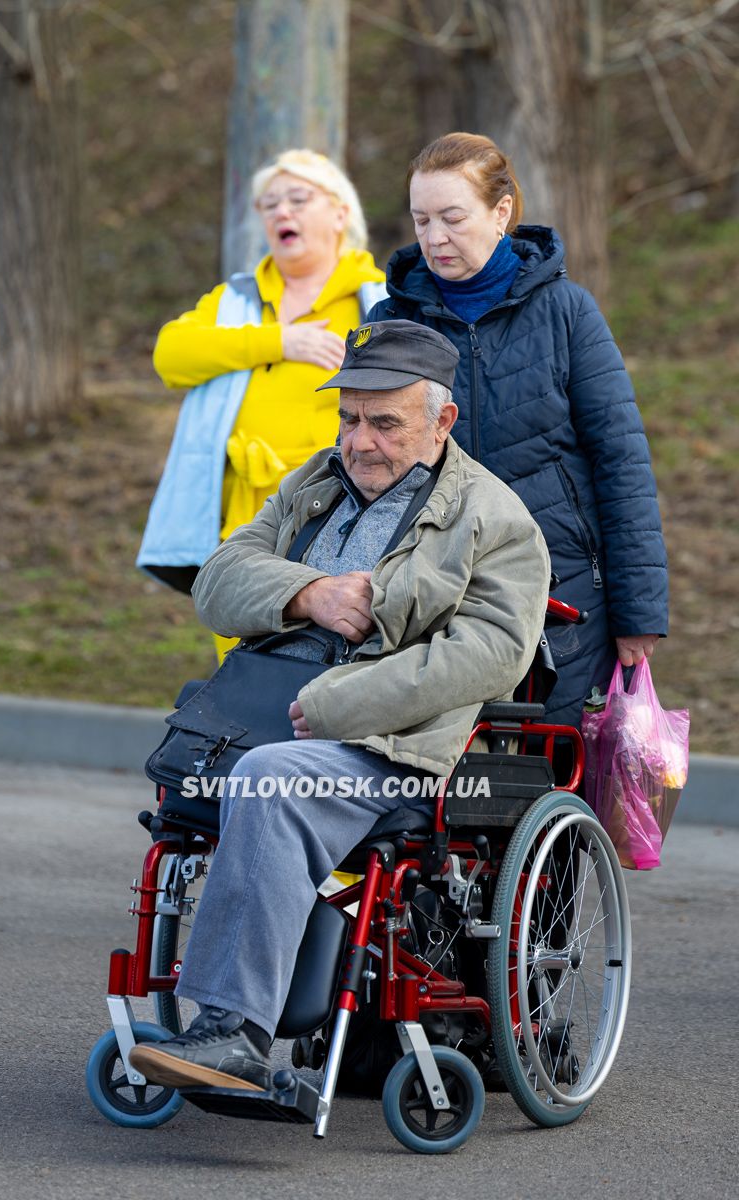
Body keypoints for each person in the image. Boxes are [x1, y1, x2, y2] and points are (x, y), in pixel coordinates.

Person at [129, 319, 551, 1091]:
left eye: (385, 423)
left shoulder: (495, 520)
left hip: (393, 753)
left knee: (271, 782)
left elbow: (492, 653)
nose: (360, 441)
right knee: (240, 776)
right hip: (267, 729)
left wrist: (343, 703)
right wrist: (308, 592)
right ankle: (213, 1025)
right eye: (349, 418)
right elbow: (219, 583)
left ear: (441, 423)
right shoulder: (313, 484)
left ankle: (234, 1032)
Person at [366, 132, 668, 728]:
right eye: (421, 219)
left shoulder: (567, 311)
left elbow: (621, 459)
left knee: (546, 766)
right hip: (426, 586)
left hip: (562, 589)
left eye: (453, 218)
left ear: (501, 212)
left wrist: (638, 612)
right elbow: (360, 455)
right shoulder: (389, 320)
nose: (434, 237)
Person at [137, 148, 386, 661]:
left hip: (340, 516)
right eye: (269, 205)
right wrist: (278, 342)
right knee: (241, 669)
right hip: (245, 521)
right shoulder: (237, 301)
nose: (281, 213)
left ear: (340, 212)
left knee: (325, 667)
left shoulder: (378, 300)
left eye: (298, 199)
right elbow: (170, 354)